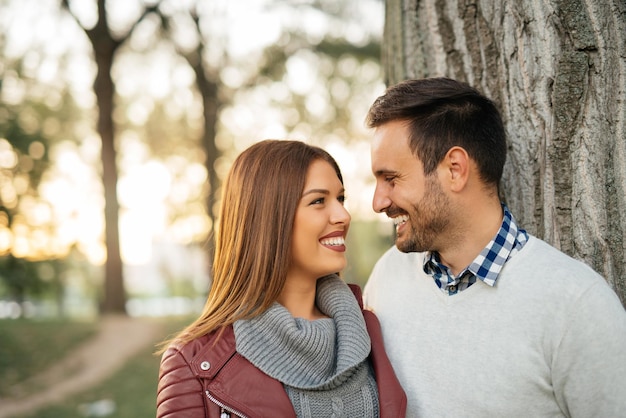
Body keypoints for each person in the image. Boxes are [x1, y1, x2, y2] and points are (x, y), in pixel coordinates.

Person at [363, 77, 626, 417]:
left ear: (455, 170)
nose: (378, 201)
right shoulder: (386, 278)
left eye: (391, 179)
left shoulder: (576, 305)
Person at [156, 140, 406, 418]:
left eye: (341, 199)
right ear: (266, 218)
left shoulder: (371, 329)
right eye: (318, 201)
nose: (343, 216)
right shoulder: (192, 363)